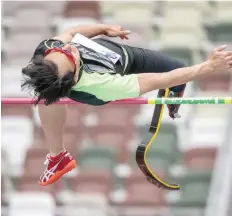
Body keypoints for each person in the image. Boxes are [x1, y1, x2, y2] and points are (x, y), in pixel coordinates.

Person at [21, 24, 232, 186]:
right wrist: (208, 67)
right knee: (174, 76)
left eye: (62, 50)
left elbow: (73, 32)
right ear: (74, 75)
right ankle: (58, 156)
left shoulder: (49, 50)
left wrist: (104, 29)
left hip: (122, 54)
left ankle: (175, 98)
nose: (68, 47)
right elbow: (161, 79)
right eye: (70, 55)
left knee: (179, 69)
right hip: (115, 71)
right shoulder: (100, 84)